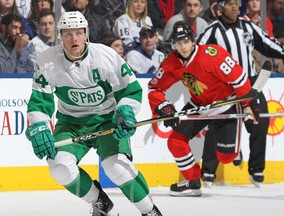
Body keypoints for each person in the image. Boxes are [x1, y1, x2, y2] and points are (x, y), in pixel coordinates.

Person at [25, 11, 162, 216]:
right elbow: (40, 101)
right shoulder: (47, 61)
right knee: (59, 167)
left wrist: (125, 111)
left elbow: (130, 90)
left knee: (116, 167)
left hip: (107, 120)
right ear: (60, 36)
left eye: (78, 33)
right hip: (71, 123)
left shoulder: (105, 56)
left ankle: (149, 210)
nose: (74, 39)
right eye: (68, 33)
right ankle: (100, 202)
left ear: (86, 34)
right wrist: (39, 125)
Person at [148, 20, 256, 197]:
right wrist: (163, 107)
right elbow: (154, 88)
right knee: (175, 140)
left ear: (193, 40)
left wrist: (247, 106)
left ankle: (234, 149)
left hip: (225, 104)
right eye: (178, 43)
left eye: (186, 42)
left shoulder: (212, 55)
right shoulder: (172, 62)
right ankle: (192, 181)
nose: (182, 47)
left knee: (226, 157)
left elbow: (239, 79)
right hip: (199, 105)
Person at [197, 0, 284, 187]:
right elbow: (197, 54)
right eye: (230, 4)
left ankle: (256, 168)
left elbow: (267, 43)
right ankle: (208, 170)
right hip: (224, 86)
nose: (235, 7)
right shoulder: (212, 30)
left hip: (249, 83)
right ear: (220, 8)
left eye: (237, 4)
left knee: (260, 120)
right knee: (218, 124)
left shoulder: (247, 25)